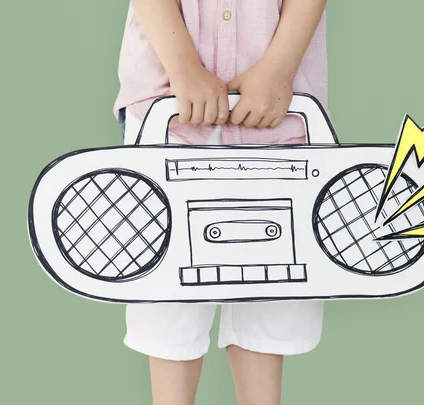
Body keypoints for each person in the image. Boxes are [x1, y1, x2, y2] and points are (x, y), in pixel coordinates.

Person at [113, 1, 329, 404]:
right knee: (168, 294)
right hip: (169, 103)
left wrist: (278, 70)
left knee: (272, 284)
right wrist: (183, 68)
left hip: (278, 107)